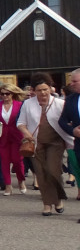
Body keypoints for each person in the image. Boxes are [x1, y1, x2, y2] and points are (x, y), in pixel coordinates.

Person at [18, 72, 73, 216]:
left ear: (50, 88)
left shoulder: (60, 103)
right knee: (41, 173)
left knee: (53, 170)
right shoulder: (28, 104)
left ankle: (59, 199)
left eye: (45, 89)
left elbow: (69, 121)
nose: (42, 93)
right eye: (39, 90)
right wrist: (26, 133)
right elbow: (20, 123)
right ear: (34, 91)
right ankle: (47, 204)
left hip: (55, 142)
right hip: (36, 143)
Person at [0, 83, 27, 196]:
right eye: (2, 94)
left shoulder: (20, 105)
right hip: (2, 137)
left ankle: (21, 181)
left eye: (7, 93)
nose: (4, 96)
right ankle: (8, 185)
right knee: (4, 161)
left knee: (17, 161)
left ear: (12, 94)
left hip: (17, 137)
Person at [57, 69, 80, 214]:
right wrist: (73, 131)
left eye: (75, 81)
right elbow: (62, 121)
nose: (71, 84)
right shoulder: (71, 100)